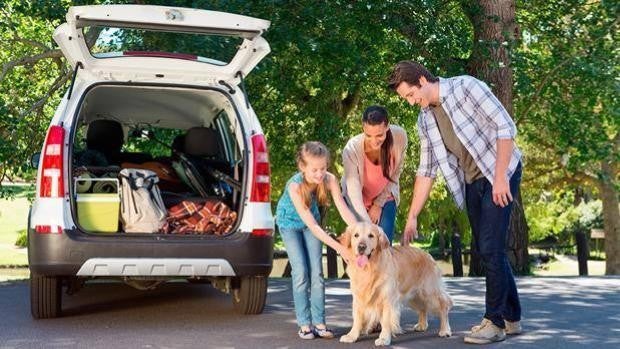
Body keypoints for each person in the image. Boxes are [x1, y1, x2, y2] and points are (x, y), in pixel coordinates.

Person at [387, 61, 523, 344]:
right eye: (406, 99)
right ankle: (512, 317)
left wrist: (499, 178)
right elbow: (427, 170)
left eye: (411, 95)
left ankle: (494, 322)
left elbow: (505, 126)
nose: (412, 102)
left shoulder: (466, 87)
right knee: (488, 247)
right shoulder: (425, 119)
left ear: (423, 80)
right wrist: (412, 215)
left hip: (500, 170)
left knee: (490, 247)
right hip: (472, 181)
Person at [275, 141, 357, 340]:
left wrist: (358, 230)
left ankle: (319, 323)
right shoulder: (295, 186)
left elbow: (342, 208)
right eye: (314, 170)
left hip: (312, 223)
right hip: (290, 225)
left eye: (323, 168)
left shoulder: (329, 180)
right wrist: (341, 249)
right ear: (302, 167)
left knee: (317, 273)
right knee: (301, 272)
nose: (319, 174)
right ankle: (304, 324)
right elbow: (312, 226)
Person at [341, 105, 408, 244]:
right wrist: (368, 225)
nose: (374, 141)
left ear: (387, 126)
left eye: (379, 135)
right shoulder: (352, 149)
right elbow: (353, 191)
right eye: (368, 135)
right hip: (358, 201)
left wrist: (378, 204)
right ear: (363, 129)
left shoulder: (399, 136)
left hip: (385, 196)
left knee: (384, 246)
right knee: (361, 245)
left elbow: (396, 172)